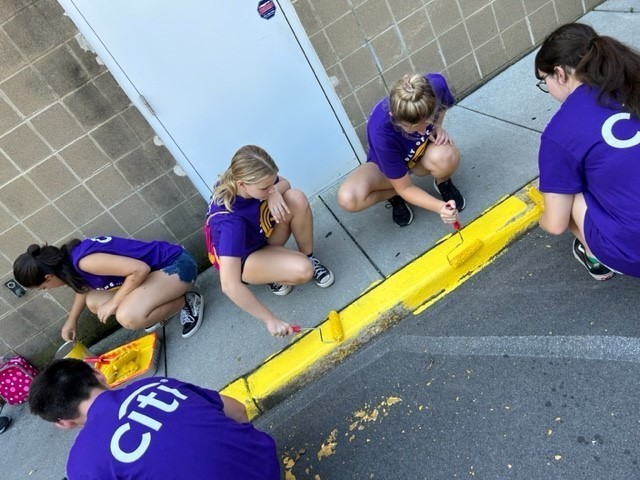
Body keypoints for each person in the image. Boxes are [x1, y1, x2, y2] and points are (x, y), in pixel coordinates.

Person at [29, 358, 280, 480]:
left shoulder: (81, 463)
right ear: (99, 374)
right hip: (265, 465)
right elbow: (237, 410)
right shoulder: (155, 384)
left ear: (63, 422)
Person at [534, 23, 640, 280]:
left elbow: (556, 224)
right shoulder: (632, 81)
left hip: (633, 253)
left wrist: (542, 217)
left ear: (559, 74)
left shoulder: (560, 132)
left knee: (563, 189)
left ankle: (596, 257)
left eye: (544, 81)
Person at [205, 144, 334, 337]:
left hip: (259, 235)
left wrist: (273, 193)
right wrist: (270, 320)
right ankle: (270, 276)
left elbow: (285, 183)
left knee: (295, 198)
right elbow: (229, 286)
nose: (271, 188)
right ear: (242, 185)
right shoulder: (230, 222)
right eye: (265, 188)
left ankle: (308, 257)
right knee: (303, 270)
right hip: (245, 261)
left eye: (271, 182)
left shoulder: (243, 181)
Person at [337, 72, 464, 228]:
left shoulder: (435, 87)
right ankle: (394, 193)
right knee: (348, 199)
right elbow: (406, 187)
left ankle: (443, 183)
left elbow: (442, 105)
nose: (424, 132)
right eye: (414, 128)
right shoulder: (381, 133)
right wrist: (440, 208)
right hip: (387, 165)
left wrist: (436, 127)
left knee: (446, 156)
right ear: (394, 116)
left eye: (427, 122)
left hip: (420, 154)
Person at [13, 236, 203, 339]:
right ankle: (151, 309)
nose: (48, 289)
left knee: (127, 317)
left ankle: (186, 301)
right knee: (94, 301)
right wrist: (72, 320)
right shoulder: (69, 263)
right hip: (155, 275)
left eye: (44, 287)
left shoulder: (86, 262)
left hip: (178, 266)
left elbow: (140, 269)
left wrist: (114, 303)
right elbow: (84, 289)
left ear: (49, 277)